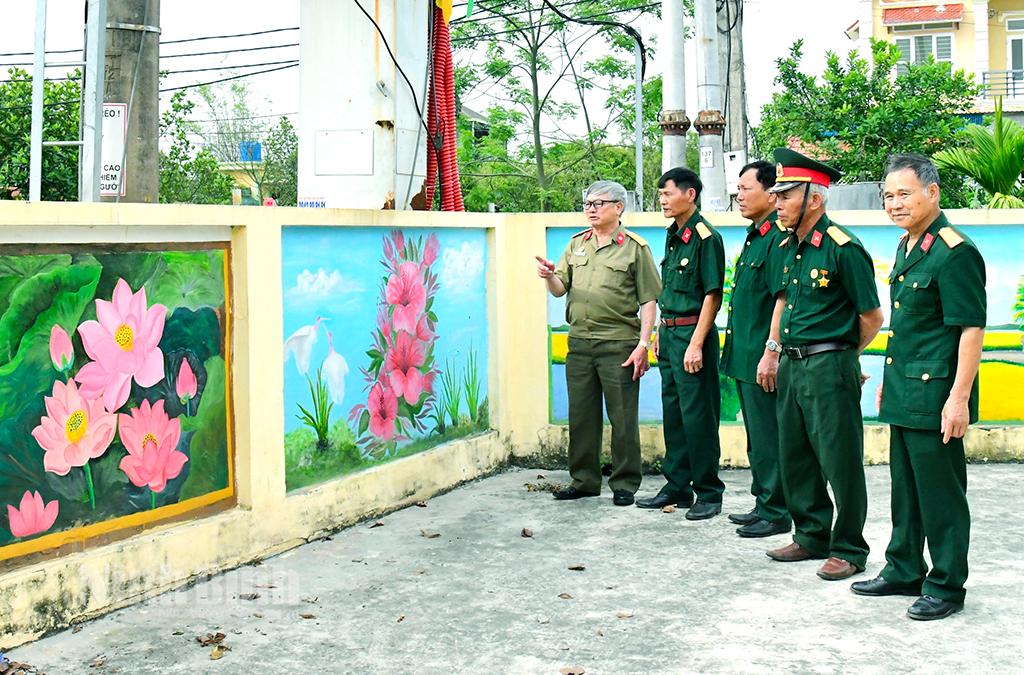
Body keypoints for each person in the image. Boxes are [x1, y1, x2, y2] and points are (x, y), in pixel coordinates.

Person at [851, 154, 986, 621]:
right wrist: (890, 379)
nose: (894, 203)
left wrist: (958, 398)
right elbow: (908, 329)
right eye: (888, 195)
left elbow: (970, 329)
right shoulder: (909, 247)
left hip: (938, 395)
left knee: (941, 493)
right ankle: (904, 567)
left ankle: (947, 584)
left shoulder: (955, 251)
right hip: (907, 389)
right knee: (905, 488)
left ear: (933, 192)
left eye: (903, 193)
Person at [764, 148, 883, 581]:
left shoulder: (843, 248)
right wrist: (773, 351)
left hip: (830, 364)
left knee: (839, 459)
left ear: (814, 198)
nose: (777, 202)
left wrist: (846, 356)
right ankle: (812, 534)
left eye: (786, 195)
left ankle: (850, 548)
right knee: (794, 455)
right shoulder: (787, 246)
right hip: (793, 365)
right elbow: (783, 303)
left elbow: (871, 317)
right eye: (776, 195)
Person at [536, 180, 661, 506]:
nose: (590, 209)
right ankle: (584, 480)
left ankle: (624, 483)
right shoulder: (577, 244)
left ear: (618, 208)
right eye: (587, 203)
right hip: (579, 343)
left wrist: (643, 344)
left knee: (622, 417)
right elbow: (560, 288)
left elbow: (649, 300)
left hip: (618, 344)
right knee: (581, 415)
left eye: (598, 203)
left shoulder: (635, 248)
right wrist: (549, 275)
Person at [635, 168, 725, 520]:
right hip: (670, 335)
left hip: (692, 335)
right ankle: (677, 487)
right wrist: (658, 332)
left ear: (690, 195)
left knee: (699, 416)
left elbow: (712, 294)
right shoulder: (674, 236)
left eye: (668, 194)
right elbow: (669, 291)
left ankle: (708, 492)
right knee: (674, 414)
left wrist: (696, 343)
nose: (663, 200)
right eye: (660, 195)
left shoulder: (705, 238)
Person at [720, 160, 792, 538]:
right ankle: (764, 502)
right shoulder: (755, 236)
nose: (740, 195)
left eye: (746, 188)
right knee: (757, 438)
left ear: (770, 193)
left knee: (769, 437)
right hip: (745, 355)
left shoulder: (777, 238)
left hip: (762, 356)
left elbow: (781, 299)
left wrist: (772, 350)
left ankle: (777, 510)